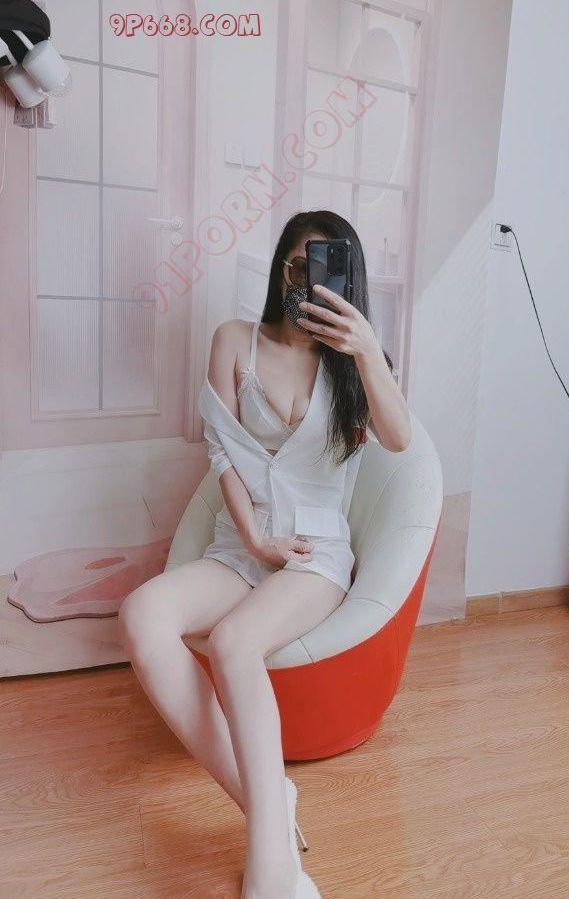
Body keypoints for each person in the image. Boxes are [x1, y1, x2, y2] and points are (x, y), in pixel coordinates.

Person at [118, 210, 412, 898]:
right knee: (140, 615)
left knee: (233, 643)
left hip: (314, 554)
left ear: (348, 281)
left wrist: (367, 349)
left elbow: (398, 438)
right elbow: (222, 448)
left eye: (325, 269)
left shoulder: (353, 361)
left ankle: (272, 870)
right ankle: (269, 805)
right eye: (297, 265)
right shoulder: (233, 340)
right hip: (243, 544)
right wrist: (252, 536)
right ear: (281, 268)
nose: (307, 281)